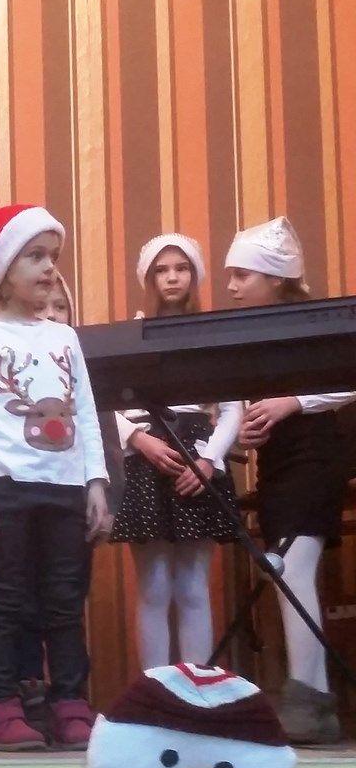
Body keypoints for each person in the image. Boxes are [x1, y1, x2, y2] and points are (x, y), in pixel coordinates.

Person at [0, 205, 111, 751]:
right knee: (7, 601)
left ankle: (70, 702)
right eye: (35, 256)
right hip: (7, 488)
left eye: (53, 257)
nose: (48, 268)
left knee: (65, 600)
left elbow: (85, 413)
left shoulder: (64, 337)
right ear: (2, 269)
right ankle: (1, 705)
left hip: (65, 488)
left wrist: (95, 482)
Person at [226, 216, 353, 744]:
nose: (231, 287)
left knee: (291, 568)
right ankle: (314, 700)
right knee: (287, 571)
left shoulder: (315, 322)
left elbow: (347, 381)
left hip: (316, 455)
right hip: (279, 462)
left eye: (242, 275)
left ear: (276, 279)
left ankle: (307, 697)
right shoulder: (251, 333)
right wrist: (250, 430)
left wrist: (293, 402)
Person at [111, 235, 241, 670]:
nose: (172, 277)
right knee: (153, 587)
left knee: (192, 586)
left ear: (194, 275)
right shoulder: (130, 333)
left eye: (181, 268)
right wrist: (138, 438)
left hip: (199, 457)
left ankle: (195, 689)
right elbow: (105, 404)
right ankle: (156, 689)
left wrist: (209, 461)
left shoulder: (213, 335)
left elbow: (232, 408)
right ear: (149, 278)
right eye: (162, 270)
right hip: (146, 458)